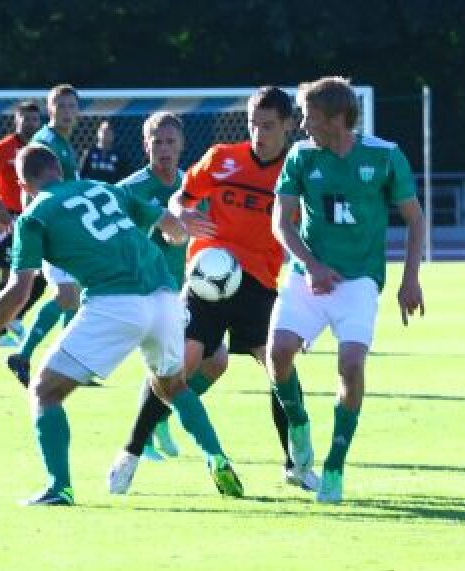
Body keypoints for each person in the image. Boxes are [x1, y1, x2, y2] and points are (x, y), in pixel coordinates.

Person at [0, 144, 244, 505]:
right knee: (173, 386)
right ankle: (216, 457)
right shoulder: (103, 188)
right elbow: (168, 222)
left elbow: (19, 290)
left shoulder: (34, 216)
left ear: (23, 186)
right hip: (166, 297)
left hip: (115, 303)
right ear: (59, 170)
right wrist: (178, 233)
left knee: (44, 391)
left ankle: (59, 487)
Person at [108, 86, 315, 495]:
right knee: (177, 365)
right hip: (207, 280)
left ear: (288, 125)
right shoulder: (222, 158)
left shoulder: (297, 171)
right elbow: (180, 200)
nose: (258, 134)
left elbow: (309, 228)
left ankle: (295, 465)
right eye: (253, 124)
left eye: (268, 126)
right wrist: (182, 216)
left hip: (259, 284)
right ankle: (130, 454)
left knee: (279, 367)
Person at [266, 76, 425, 504]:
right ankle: (298, 427)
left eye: (310, 117)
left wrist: (410, 279)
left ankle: (335, 464)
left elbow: (415, 218)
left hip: (359, 281)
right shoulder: (301, 156)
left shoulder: (385, 155)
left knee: (351, 366)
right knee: (278, 353)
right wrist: (312, 265)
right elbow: (281, 222)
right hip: (307, 275)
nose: (302, 125)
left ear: (337, 118)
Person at [115, 111, 228, 461]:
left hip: (187, 290)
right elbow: (118, 242)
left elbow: (207, 235)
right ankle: (144, 437)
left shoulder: (192, 188)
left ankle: (161, 415)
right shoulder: (129, 191)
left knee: (216, 361)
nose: (164, 148)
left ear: (182, 145)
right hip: (145, 291)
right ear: (145, 145)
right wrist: (159, 229)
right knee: (168, 362)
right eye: (157, 142)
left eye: (170, 141)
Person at [6, 85, 84, 384]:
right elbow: (27, 186)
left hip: (68, 230)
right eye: (60, 106)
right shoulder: (45, 143)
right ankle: (23, 355)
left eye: (71, 106)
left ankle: (68, 361)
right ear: (49, 110)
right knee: (67, 295)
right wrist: (33, 228)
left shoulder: (62, 143)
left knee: (75, 295)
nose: (66, 112)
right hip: (53, 231)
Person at [0, 99, 45, 346]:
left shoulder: (42, 149)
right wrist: (0, 209)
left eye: (35, 119)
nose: (31, 124)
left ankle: (14, 318)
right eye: (26, 119)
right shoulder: (4, 147)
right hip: (8, 217)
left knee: (42, 275)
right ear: (17, 121)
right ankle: (1, 334)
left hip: (34, 218)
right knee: (8, 275)